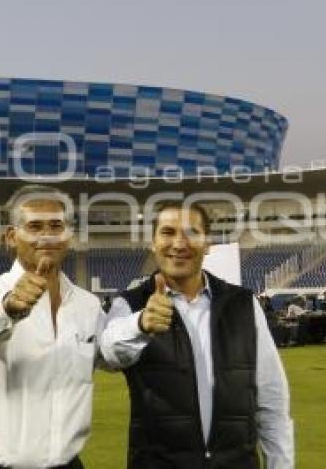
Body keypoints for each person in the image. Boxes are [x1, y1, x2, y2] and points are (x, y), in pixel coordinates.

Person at [101, 201, 294, 469]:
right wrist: (141, 324)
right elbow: (109, 354)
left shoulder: (244, 305)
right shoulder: (130, 305)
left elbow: (272, 401)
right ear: (153, 243)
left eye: (191, 233)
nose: (179, 244)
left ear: (207, 243)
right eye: (168, 232)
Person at [0, 185, 105, 469]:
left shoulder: (89, 306)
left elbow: (111, 355)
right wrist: (10, 305)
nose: (47, 235)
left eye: (56, 226)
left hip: (67, 464)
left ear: (68, 235)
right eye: (35, 226)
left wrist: (141, 325)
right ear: (11, 236)